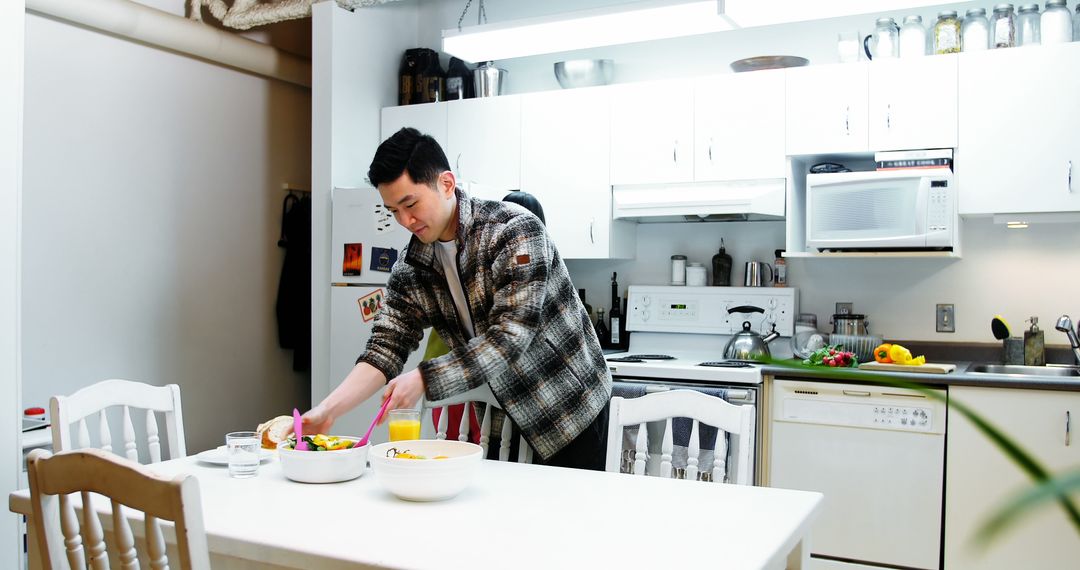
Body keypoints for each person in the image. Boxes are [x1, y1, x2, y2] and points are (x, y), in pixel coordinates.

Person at [303, 127, 611, 470]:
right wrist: (327, 410)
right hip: (501, 415)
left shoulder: (514, 231)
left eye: (410, 204)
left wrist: (422, 377)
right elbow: (384, 347)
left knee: (567, 520)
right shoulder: (414, 265)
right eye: (393, 211)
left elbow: (511, 336)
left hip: (570, 409)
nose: (405, 221)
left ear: (446, 183)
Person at [425, 191, 547, 450]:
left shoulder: (504, 264)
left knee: (464, 453)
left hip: (460, 377)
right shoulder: (483, 264)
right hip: (466, 378)